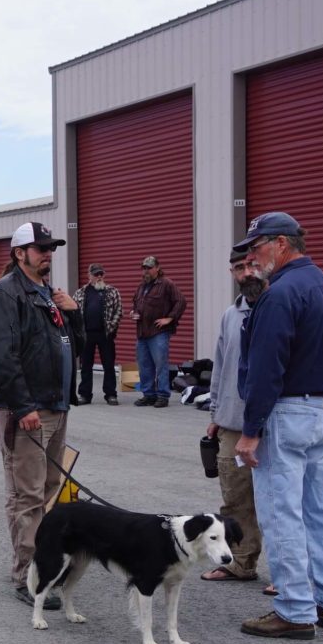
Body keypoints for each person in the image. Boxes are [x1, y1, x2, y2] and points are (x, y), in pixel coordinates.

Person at [233, 211, 323, 639]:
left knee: (281, 512)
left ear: (281, 244)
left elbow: (267, 368)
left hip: (286, 410)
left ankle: (296, 608)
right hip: (322, 409)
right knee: (321, 511)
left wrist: (250, 430)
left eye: (257, 246)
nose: (253, 256)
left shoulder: (279, 294)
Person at [0, 222, 84, 608]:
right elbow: (0, 356)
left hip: (55, 405)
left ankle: (33, 564)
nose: (48, 254)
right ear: (19, 253)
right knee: (29, 496)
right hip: (30, 410)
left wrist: (75, 314)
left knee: (44, 492)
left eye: (50, 248)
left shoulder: (50, 296)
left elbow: (76, 348)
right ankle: (29, 577)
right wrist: (23, 407)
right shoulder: (3, 296)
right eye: (40, 249)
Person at [200, 249, 269, 587]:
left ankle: (290, 578)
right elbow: (221, 365)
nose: (247, 273)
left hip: (273, 423)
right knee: (235, 498)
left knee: (279, 502)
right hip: (232, 423)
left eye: (252, 265)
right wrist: (216, 412)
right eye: (239, 268)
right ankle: (241, 563)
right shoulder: (231, 315)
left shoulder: (280, 308)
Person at [130, 255, 187, 408]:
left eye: (149, 268)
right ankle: (148, 395)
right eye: (144, 268)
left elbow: (181, 301)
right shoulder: (142, 286)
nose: (146, 271)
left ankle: (162, 395)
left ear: (157, 268)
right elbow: (137, 305)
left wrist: (169, 318)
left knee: (161, 364)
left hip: (158, 333)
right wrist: (134, 313)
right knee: (144, 365)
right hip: (142, 332)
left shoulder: (166, 284)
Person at [72, 263, 121, 405]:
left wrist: (111, 326)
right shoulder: (80, 292)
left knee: (109, 365)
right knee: (86, 366)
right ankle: (85, 395)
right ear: (90, 276)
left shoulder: (112, 291)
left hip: (105, 334)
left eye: (101, 274)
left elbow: (119, 311)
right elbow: (74, 312)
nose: (99, 277)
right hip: (86, 335)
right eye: (96, 274)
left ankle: (111, 394)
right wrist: (78, 330)